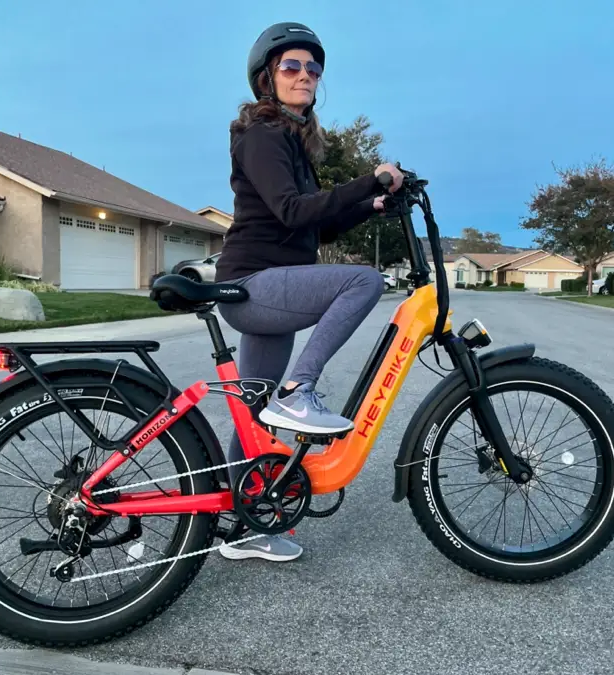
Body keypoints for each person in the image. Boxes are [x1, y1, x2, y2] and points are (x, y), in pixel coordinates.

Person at [214, 22, 403, 562]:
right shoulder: (261, 136)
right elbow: (293, 210)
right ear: (267, 77)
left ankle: (242, 524)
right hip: (253, 283)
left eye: (313, 68)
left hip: (264, 286)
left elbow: (313, 229)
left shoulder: (292, 142)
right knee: (363, 280)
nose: (305, 75)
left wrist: (369, 206)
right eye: (292, 66)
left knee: (251, 420)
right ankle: (301, 391)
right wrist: (369, 180)